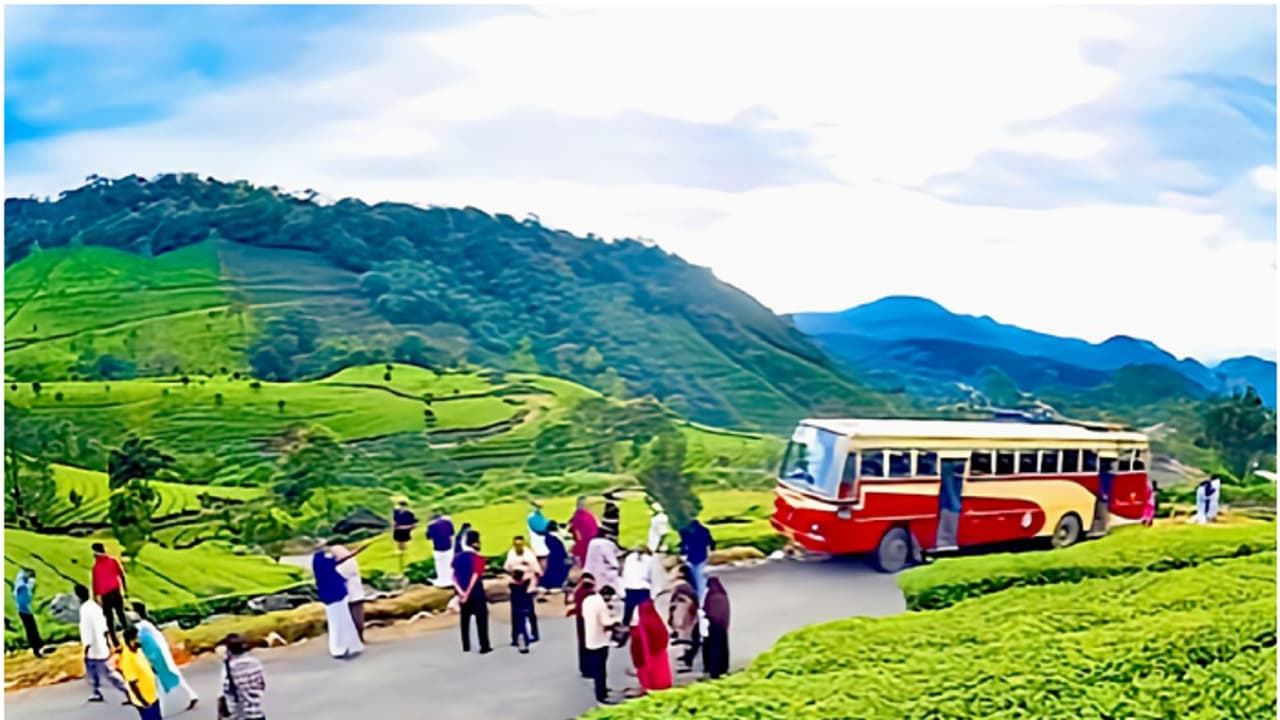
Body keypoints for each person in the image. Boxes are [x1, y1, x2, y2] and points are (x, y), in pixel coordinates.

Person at [132, 602, 199, 714]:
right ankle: (191, 695)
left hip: (158, 655)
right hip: (156, 655)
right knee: (166, 677)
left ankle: (161, 708)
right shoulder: (144, 625)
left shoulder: (142, 626)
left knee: (164, 677)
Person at [311, 542, 367, 659]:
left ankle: (349, 645)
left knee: (342, 621)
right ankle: (340, 648)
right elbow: (340, 560)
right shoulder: (322, 559)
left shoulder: (319, 560)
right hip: (334, 594)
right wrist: (356, 551)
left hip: (333, 594)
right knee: (338, 622)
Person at [77, 583, 129, 703]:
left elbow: (86, 630)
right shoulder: (95, 607)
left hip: (93, 647)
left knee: (105, 672)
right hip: (101, 643)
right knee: (94, 671)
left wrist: (86, 646)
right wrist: (108, 642)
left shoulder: (84, 610)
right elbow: (103, 626)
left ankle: (125, 690)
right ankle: (96, 691)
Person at [453, 530, 492, 654]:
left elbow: (453, 576)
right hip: (475, 592)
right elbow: (475, 576)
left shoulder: (457, 558)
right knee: (481, 619)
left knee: (465, 619)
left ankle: (466, 645)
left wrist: (461, 592)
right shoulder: (478, 558)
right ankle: (484, 645)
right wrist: (468, 592)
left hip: (461, 590)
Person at [582, 584, 620, 706]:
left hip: (589, 637)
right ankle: (601, 694)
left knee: (596, 668)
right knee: (601, 669)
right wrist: (616, 619)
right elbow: (606, 622)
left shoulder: (588, 600)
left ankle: (601, 688)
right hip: (600, 640)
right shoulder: (601, 604)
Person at [118, 626, 162, 720]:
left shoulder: (137, 650)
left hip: (152, 695)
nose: (139, 640)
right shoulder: (127, 659)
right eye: (137, 638)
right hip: (144, 700)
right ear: (131, 640)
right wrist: (143, 702)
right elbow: (132, 683)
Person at [629, 599, 672, 694]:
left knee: (649, 672)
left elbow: (637, 637)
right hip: (658, 651)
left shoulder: (642, 620)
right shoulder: (653, 617)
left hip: (648, 653)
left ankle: (648, 687)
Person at [218, 634, 266, 720]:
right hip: (257, 711)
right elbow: (261, 685)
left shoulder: (230, 668)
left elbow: (227, 693)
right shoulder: (256, 663)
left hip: (240, 715)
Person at [504, 536, 541, 643]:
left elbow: (537, 571)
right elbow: (507, 568)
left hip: (527, 583)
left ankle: (534, 633)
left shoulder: (529, 554)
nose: (518, 547)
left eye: (520, 544)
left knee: (529, 611)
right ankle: (516, 636)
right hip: (515, 583)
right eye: (516, 545)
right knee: (515, 612)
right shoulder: (511, 554)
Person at [91, 542, 129, 647]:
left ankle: (115, 641)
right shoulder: (112, 561)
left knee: (109, 619)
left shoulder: (96, 568)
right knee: (121, 615)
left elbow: (95, 584)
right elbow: (121, 575)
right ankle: (128, 635)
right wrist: (125, 589)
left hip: (106, 595)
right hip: (115, 591)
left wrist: (96, 598)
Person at [329, 542, 368, 641]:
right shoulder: (350, 562)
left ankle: (355, 637)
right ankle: (357, 637)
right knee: (357, 617)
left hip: (349, 595)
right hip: (355, 594)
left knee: (353, 618)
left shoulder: (343, 566)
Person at [667, 564, 701, 673]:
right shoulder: (689, 587)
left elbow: (677, 605)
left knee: (683, 640)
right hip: (688, 619)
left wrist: (672, 619)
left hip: (682, 618)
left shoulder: (681, 587)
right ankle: (686, 662)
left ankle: (683, 663)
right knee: (688, 640)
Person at [566, 572, 596, 678]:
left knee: (582, 644)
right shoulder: (590, 593)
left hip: (581, 620)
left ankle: (585, 668)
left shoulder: (579, 591)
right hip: (590, 621)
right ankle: (591, 669)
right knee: (590, 645)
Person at [678, 517, 715, 602]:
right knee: (697, 578)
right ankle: (699, 597)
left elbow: (683, 544)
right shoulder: (702, 531)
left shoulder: (686, 531)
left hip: (696, 557)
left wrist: (682, 551)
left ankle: (699, 599)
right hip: (697, 557)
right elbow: (711, 543)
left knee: (697, 578)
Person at [14, 567, 48, 657]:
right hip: (24, 610)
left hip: (25, 609)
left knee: (32, 629)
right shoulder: (21, 585)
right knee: (31, 630)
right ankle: (37, 648)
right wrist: (31, 580)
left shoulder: (21, 582)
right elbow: (25, 588)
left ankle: (38, 646)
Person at [702, 577, 731, 679]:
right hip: (722, 625)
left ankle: (713, 670)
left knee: (713, 649)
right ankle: (723, 668)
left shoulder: (711, 596)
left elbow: (707, 610)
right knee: (722, 648)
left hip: (713, 625)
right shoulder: (723, 595)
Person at [621, 544, 655, 628]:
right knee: (645, 614)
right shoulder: (650, 560)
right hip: (643, 589)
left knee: (628, 612)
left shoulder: (629, 558)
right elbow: (649, 575)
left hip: (630, 587)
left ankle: (624, 629)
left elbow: (625, 573)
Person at [584, 531, 621, 597]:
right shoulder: (607, 544)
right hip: (602, 580)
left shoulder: (593, 542)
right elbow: (614, 564)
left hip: (590, 575)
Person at [425, 509, 456, 588]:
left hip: (438, 547)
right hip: (448, 546)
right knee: (449, 564)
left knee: (440, 565)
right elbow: (452, 535)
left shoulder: (431, 525)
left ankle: (442, 580)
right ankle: (451, 579)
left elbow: (428, 537)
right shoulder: (448, 522)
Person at [538, 520, 571, 594]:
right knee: (563, 568)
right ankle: (558, 585)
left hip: (552, 558)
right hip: (560, 558)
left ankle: (546, 585)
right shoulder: (558, 537)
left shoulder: (547, 537)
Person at [568, 497, 599, 569]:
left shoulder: (579, 515)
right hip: (590, 540)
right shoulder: (588, 515)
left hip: (583, 540)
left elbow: (576, 530)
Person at [509, 569, 535, 654]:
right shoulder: (526, 585)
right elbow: (531, 579)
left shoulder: (513, 587)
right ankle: (526, 640)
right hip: (526, 607)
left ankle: (522, 644)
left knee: (520, 627)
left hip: (517, 609)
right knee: (524, 625)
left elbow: (511, 582)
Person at [391, 499, 418, 573]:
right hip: (398, 528)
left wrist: (408, 527)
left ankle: (404, 552)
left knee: (404, 540)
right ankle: (400, 551)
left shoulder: (409, 513)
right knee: (398, 540)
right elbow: (394, 520)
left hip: (405, 528)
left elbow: (413, 523)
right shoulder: (396, 512)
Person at [527, 501, 551, 572]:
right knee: (542, 558)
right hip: (539, 539)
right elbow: (541, 527)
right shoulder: (534, 517)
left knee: (541, 558)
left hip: (538, 540)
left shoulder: (534, 516)